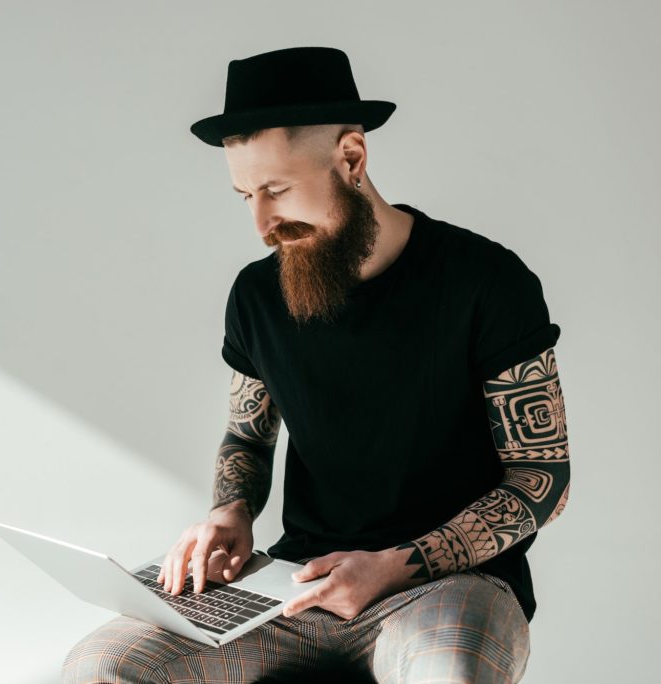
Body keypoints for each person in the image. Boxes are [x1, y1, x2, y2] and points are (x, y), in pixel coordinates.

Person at [61, 47, 569, 683]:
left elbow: (543, 476)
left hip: (448, 580)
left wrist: (397, 563)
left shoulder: (487, 281)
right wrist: (231, 513)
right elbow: (247, 437)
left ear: (351, 157)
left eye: (276, 190)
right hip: (296, 582)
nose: (262, 223)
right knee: (97, 667)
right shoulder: (255, 295)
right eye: (245, 195)